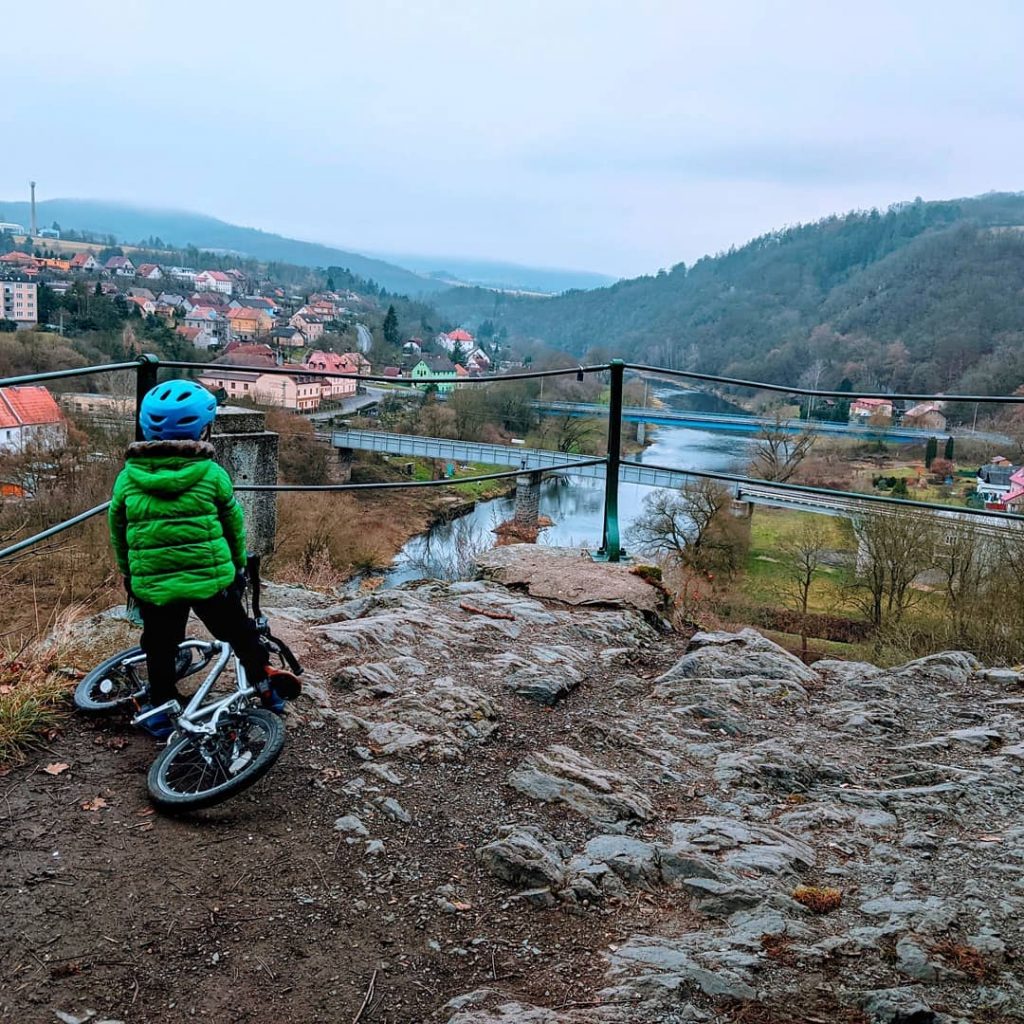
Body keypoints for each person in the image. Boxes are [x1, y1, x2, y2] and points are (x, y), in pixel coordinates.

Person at [108, 379, 299, 738]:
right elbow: (233, 525)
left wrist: (129, 573)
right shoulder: (212, 475)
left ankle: (161, 708)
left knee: (160, 644)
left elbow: (119, 533)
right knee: (240, 633)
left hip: (155, 583)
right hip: (210, 581)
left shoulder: (127, 479)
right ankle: (265, 685)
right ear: (204, 430)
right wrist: (238, 565)